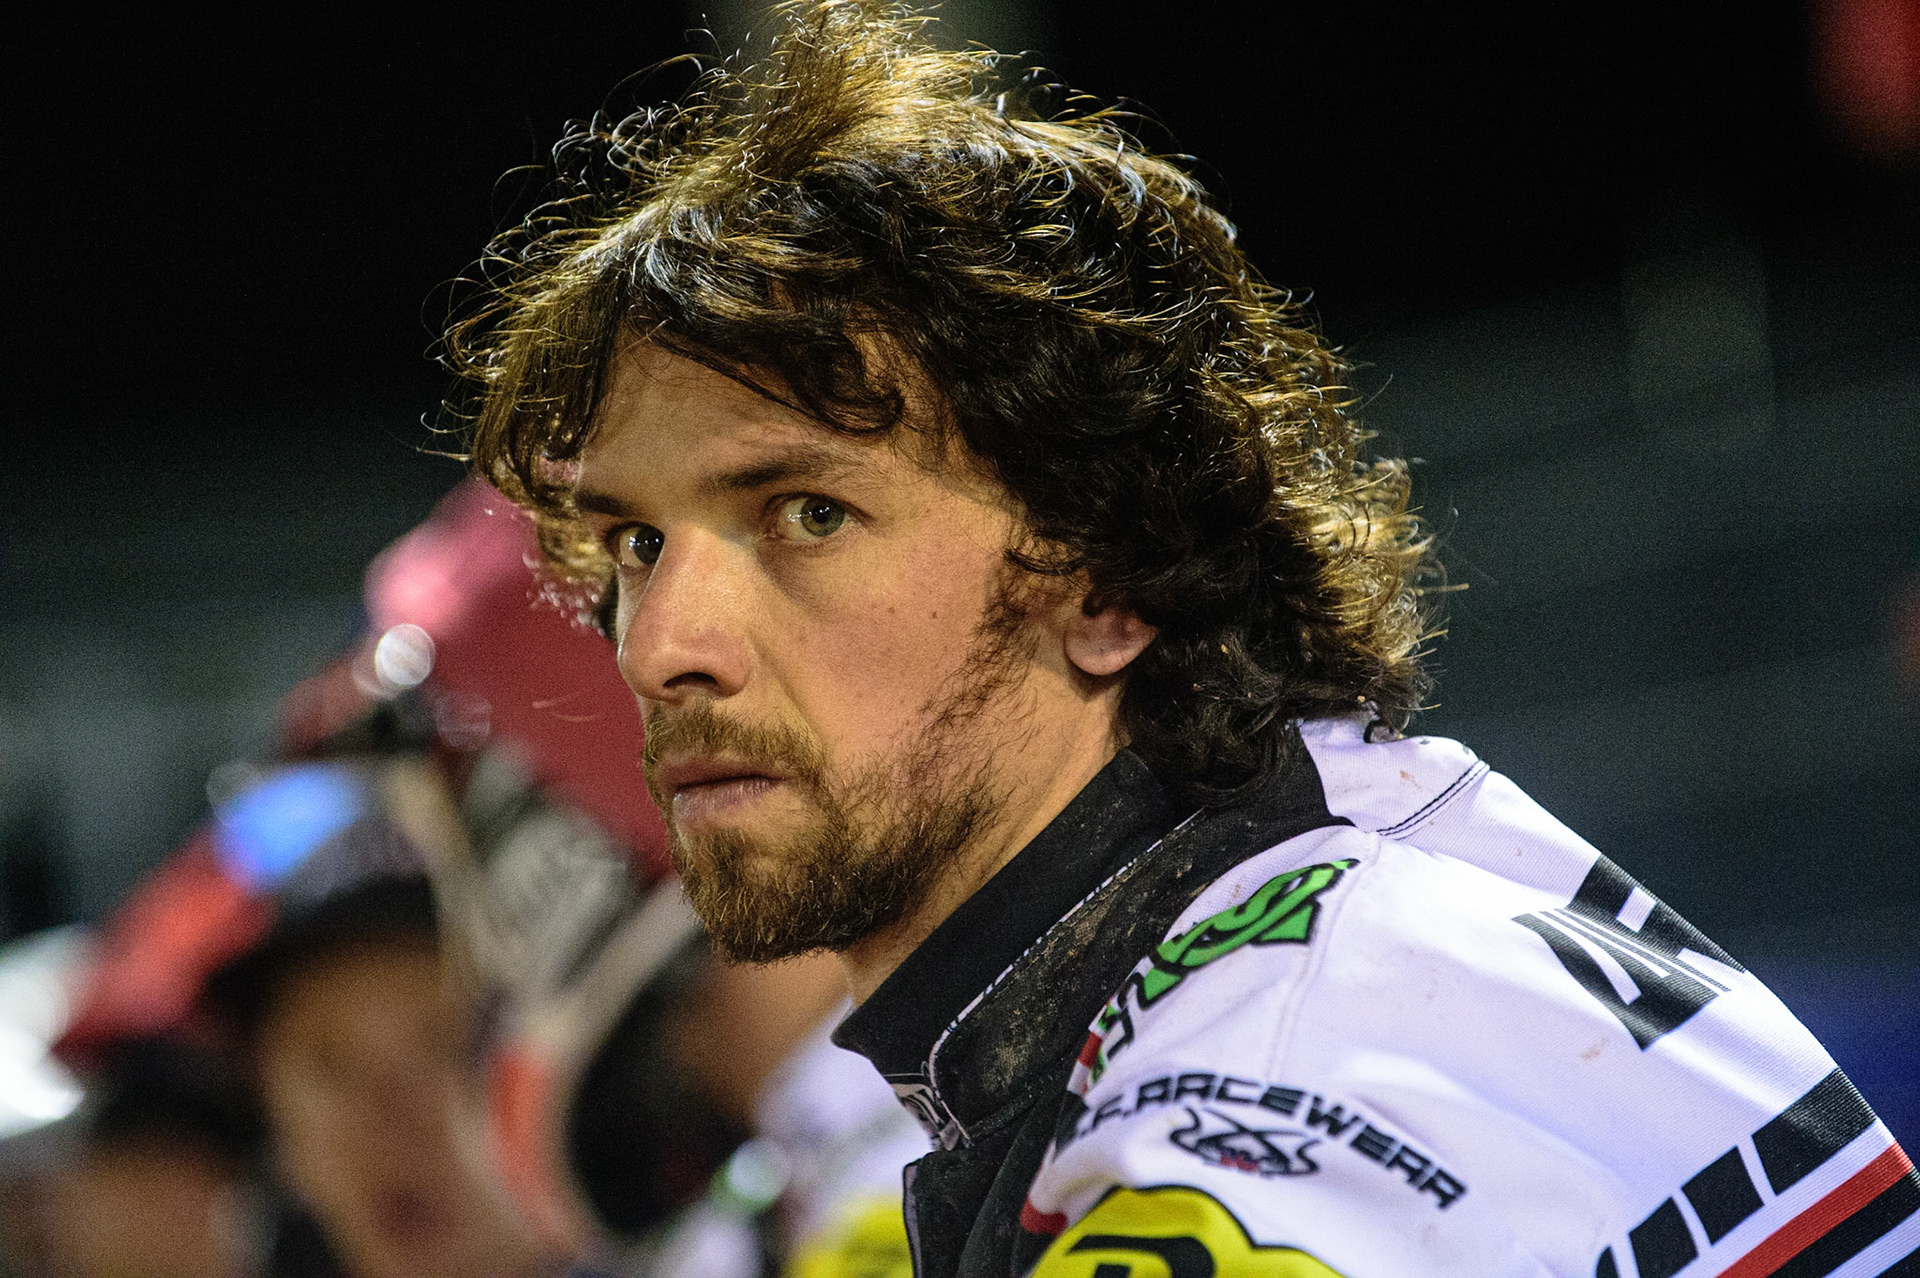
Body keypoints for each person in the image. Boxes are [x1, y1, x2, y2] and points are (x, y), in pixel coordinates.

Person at [443, 4, 1917, 1273]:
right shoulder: (1324, 896)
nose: (660, 644)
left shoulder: (1240, 1118)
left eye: (806, 512)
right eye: (638, 542)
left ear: (1111, 585)